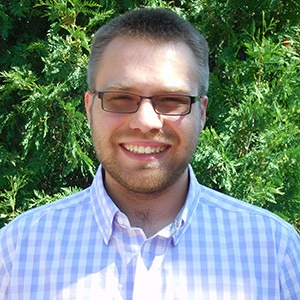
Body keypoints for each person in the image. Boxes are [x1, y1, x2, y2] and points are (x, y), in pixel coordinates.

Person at [0, 8, 299, 299]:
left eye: (171, 99)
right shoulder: (16, 253)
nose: (145, 122)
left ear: (202, 113)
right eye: (120, 98)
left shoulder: (274, 251)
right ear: (90, 108)